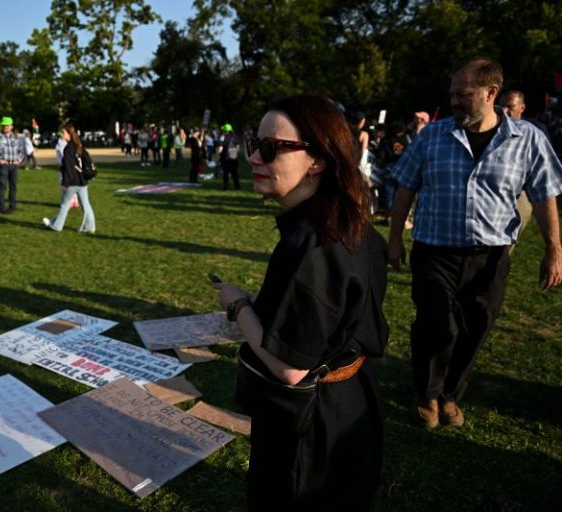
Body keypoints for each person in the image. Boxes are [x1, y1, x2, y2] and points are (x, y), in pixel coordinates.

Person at [214, 94, 389, 509]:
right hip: (352, 408)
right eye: (252, 142)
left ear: (318, 160)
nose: (254, 156)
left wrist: (239, 306)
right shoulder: (352, 223)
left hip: (312, 426)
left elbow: (289, 366)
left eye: (272, 147)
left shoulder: (311, 244)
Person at [388, 58, 562, 429]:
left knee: (476, 326)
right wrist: (393, 240)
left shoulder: (527, 139)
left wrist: (553, 249)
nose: (454, 101)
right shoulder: (432, 136)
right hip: (434, 249)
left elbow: (545, 194)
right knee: (437, 323)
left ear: (491, 92)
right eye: (451, 94)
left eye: (463, 94)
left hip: (491, 255)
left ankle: (450, 394)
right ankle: (426, 394)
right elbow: (405, 187)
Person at [500, 90, 552, 250]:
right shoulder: (493, 126)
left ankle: (501, 262)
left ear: (522, 108)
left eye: (509, 106)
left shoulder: (535, 130)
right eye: (501, 106)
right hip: (498, 188)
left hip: (523, 191)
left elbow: (546, 166)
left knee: (509, 233)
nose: (504, 111)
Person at [42, 122, 96, 234]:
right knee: (86, 204)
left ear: (69, 134)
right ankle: (90, 227)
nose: (61, 134)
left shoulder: (68, 148)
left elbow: (69, 168)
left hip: (73, 182)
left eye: (63, 132)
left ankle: (57, 225)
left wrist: (65, 183)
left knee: (64, 204)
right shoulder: (79, 146)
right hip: (82, 181)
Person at [0, 116, 25, 214]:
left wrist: (19, 160)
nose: (5, 127)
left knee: (13, 186)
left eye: (7, 125)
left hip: (14, 165)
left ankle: (12, 206)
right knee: (3, 186)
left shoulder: (16, 137)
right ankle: (1, 207)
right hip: (3, 165)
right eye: (3, 125)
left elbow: (21, 150)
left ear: (11, 126)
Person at [219, 123, 240, 190]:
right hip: (234, 158)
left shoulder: (223, 138)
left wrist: (219, 155)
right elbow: (238, 148)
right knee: (234, 173)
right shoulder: (234, 137)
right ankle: (237, 186)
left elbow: (220, 149)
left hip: (226, 158)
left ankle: (225, 187)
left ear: (225, 131)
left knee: (225, 173)